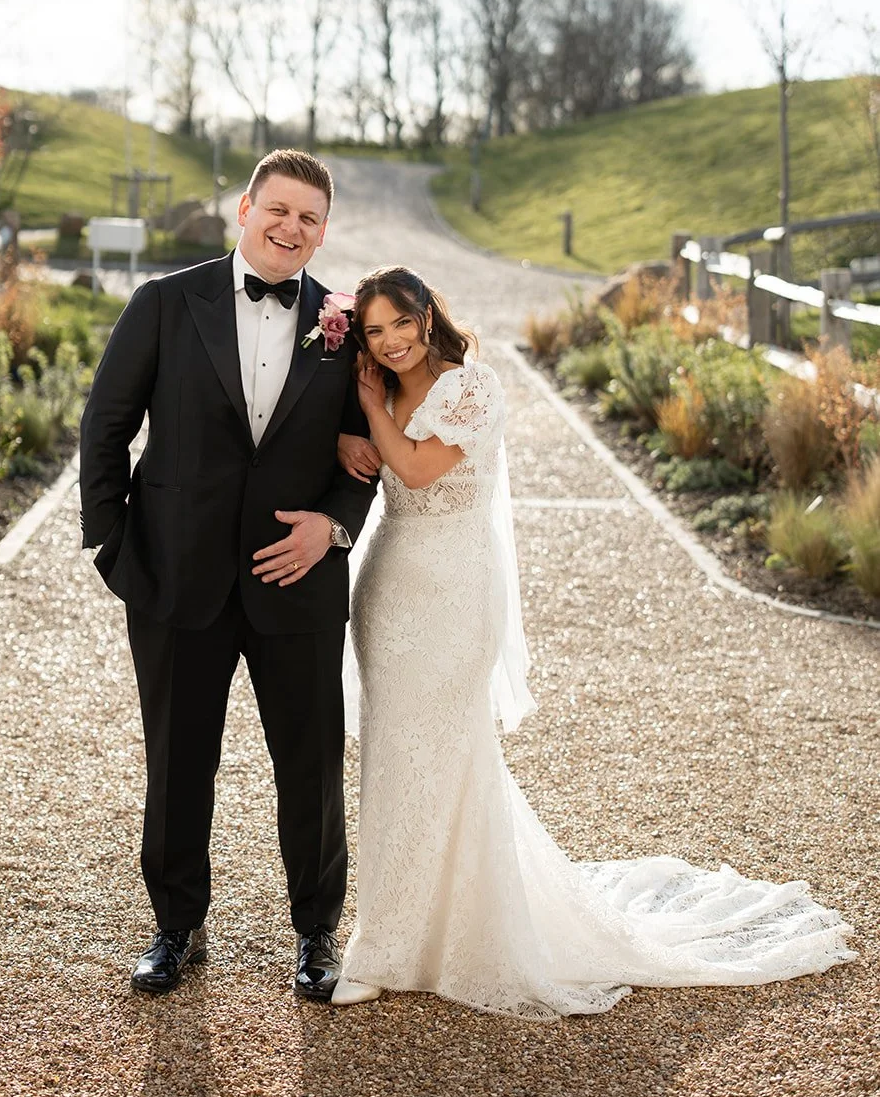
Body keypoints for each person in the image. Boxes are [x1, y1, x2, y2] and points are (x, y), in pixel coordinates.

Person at [331, 265, 855, 1014]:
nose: (388, 344)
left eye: (398, 325)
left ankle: (401, 942)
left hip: (455, 586)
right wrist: (359, 418)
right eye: (372, 332)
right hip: (390, 583)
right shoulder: (385, 386)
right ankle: (393, 930)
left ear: (425, 314)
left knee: (445, 749)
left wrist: (362, 406)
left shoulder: (468, 386)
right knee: (392, 755)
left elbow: (413, 470)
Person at [79, 150, 375, 999]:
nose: (291, 229)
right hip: (176, 577)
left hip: (299, 580)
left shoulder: (347, 325)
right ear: (243, 209)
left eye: (309, 218)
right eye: (276, 210)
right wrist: (114, 548)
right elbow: (105, 426)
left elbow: (367, 451)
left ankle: (316, 933)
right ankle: (176, 929)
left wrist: (336, 527)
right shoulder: (165, 303)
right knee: (177, 760)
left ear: (325, 230)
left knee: (311, 760)